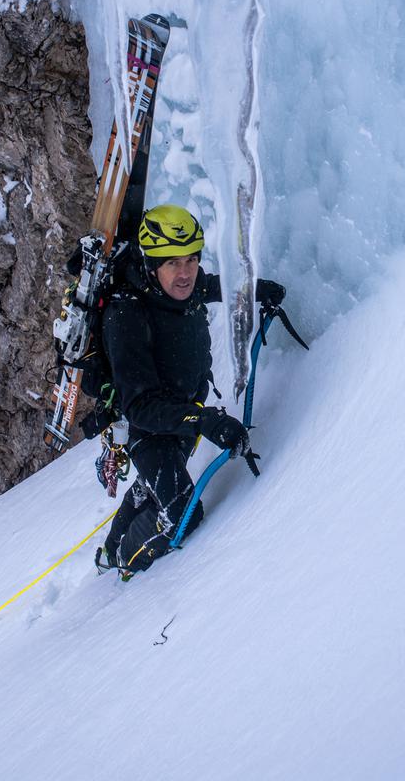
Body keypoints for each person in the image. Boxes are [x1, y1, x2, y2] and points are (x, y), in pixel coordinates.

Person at [96, 204, 285, 577]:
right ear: (152, 264)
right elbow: (140, 405)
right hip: (149, 431)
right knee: (181, 514)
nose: (185, 274)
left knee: (161, 484)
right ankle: (121, 559)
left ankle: (129, 515)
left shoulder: (184, 283)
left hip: (186, 412)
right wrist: (205, 421)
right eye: (172, 263)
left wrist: (258, 292)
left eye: (191, 260)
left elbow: (213, 287)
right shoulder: (126, 316)